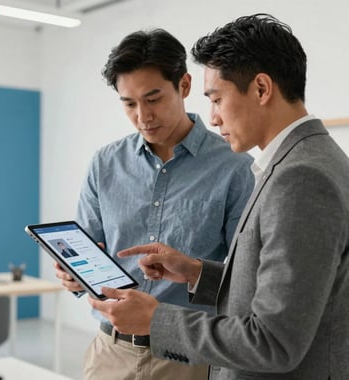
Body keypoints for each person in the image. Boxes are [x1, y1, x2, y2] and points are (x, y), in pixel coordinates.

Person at [90, 14, 349, 379]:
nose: (212, 117)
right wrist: (197, 273)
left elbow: (274, 341)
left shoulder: (301, 178)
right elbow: (271, 291)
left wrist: (156, 319)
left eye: (216, 99)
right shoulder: (304, 161)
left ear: (261, 89)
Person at [55, 28, 254, 379]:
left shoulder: (233, 166)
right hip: (109, 352)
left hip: (186, 355)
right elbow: (89, 250)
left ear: (185, 85)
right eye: (129, 103)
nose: (143, 116)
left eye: (153, 98)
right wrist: (74, 275)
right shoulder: (105, 164)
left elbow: (245, 275)